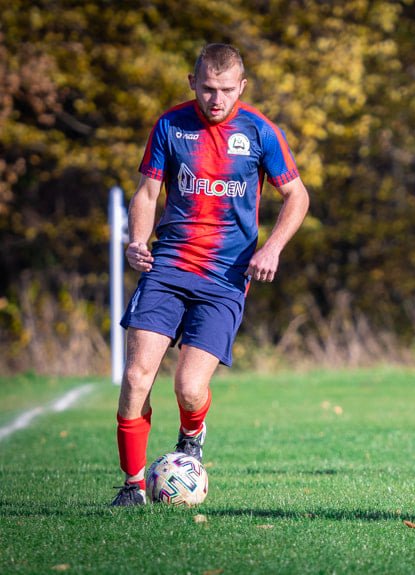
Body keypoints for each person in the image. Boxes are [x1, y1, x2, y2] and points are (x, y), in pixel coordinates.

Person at [110, 43, 310, 506]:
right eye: (206, 89)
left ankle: (192, 431)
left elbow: (297, 197)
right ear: (192, 83)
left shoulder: (261, 132)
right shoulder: (170, 125)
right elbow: (147, 192)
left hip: (224, 277)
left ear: (241, 87)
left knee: (190, 387)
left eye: (225, 90)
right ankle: (133, 485)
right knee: (138, 376)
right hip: (169, 266)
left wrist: (272, 248)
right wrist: (138, 241)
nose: (215, 100)